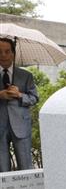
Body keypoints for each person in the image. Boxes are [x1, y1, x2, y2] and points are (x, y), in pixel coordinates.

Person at [0, 38, 39, 172]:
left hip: (21, 125)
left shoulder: (26, 75)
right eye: (0, 52)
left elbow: (34, 98)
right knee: (2, 170)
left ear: (13, 53)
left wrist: (20, 95)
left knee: (25, 167)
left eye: (7, 51)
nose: (3, 55)